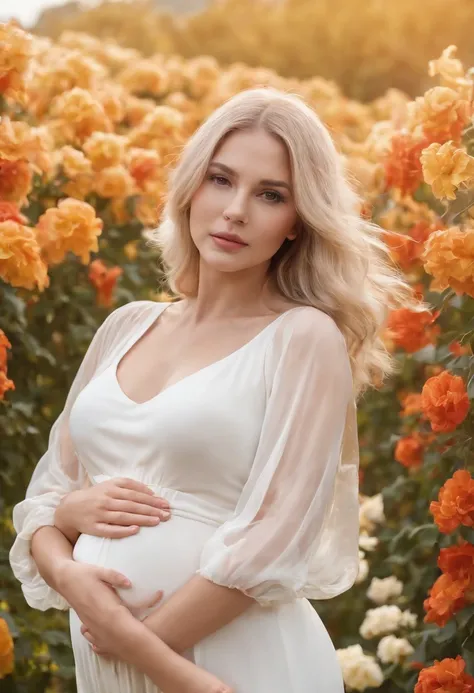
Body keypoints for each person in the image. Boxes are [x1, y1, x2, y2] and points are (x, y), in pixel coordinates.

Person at [10, 86, 417, 692]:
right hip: (119, 662)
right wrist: (71, 559)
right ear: (190, 188)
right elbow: (44, 503)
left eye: (270, 195)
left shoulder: (302, 338)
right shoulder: (125, 327)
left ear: (297, 225)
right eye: (221, 180)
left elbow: (275, 538)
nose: (235, 211)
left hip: (240, 665)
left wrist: (140, 648)